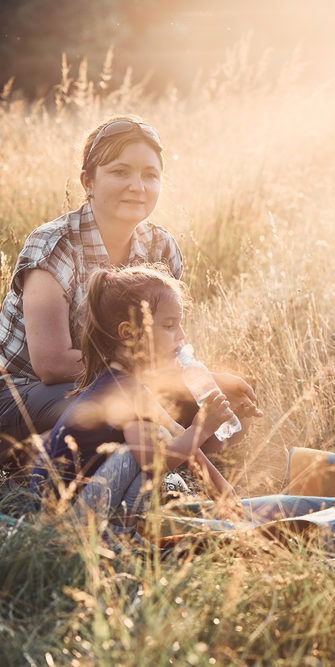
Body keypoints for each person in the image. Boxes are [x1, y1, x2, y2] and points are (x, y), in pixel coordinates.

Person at [0, 115, 258, 462]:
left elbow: (167, 344)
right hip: (26, 392)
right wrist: (156, 380)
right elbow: (52, 365)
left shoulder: (161, 247)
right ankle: (34, 460)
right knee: (113, 401)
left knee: (229, 399)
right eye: (120, 172)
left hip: (120, 382)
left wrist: (204, 382)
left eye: (150, 175)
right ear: (88, 181)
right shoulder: (54, 244)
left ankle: (164, 475)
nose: (138, 186)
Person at [31, 265, 239, 523]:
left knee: (163, 434)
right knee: (139, 453)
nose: (182, 336)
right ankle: (114, 536)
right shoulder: (121, 390)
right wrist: (202, 429)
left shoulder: (129, 384)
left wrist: (225, 493)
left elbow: (177, 433)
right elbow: (153, 463)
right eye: (170, 325)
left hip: (77, 503)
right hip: (62, 517)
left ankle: (123, 529)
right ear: (129, 334)